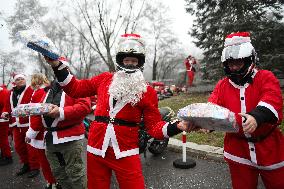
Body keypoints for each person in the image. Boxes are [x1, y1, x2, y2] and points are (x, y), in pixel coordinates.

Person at [44, 33, 187, 189]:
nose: (130, 64)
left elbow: (153, 127)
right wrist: (57, 65)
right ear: (120, 61)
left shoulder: (148, 92)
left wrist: (176, 126)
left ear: (140, 63)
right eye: (126, 60)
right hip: (96, 149)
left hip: (126, 150)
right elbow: (76, 88)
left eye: (134, 61)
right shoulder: (104, 79)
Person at [196, 32, 283, 189]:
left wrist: (256, 117)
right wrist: (206, 123)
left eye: (238, 63)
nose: (234, 67)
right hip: (237, 151)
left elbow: (273, 99)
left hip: (270, 150)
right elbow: (213, 107)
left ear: (249, 60)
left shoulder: (265, 77)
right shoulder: (222, 85)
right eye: (230, 64)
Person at [25, 73, 91, 189]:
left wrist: (61, 112)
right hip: (50, 139)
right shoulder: (49, 90)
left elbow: (84, 107)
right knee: (59, 173)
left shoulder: (77, 86)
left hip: (70, 138)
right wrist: (29, 113)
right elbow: (40, 111)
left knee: (75, 173)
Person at [1, 74, 40, 178]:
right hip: (15, 124)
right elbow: (7, 106)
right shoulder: (11, 93)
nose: (20, 80)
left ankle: (35, 167)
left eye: (22, 78)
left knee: (31, 146)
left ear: (25, 80)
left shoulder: (31, 90)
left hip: (28, 123)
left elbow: (36, 104)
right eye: (18, 79)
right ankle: (26, 164)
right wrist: (5, 112)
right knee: (19, 147)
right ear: (15, 82)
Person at [25, 73, 59, 189]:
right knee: (51, 160)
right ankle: (53, 181)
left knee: (45, 161)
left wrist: (31, 133)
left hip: (40, 134)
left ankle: (52, 182)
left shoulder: (39, 92)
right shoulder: (43, 91)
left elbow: (37, 116)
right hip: (44, 132)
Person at [0, 85, 13, 165]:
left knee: (2, 138)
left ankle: (8, 157)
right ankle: (4, 155)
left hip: (3, 119)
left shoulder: (4, 92)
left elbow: (6, 106)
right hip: (3, 118)